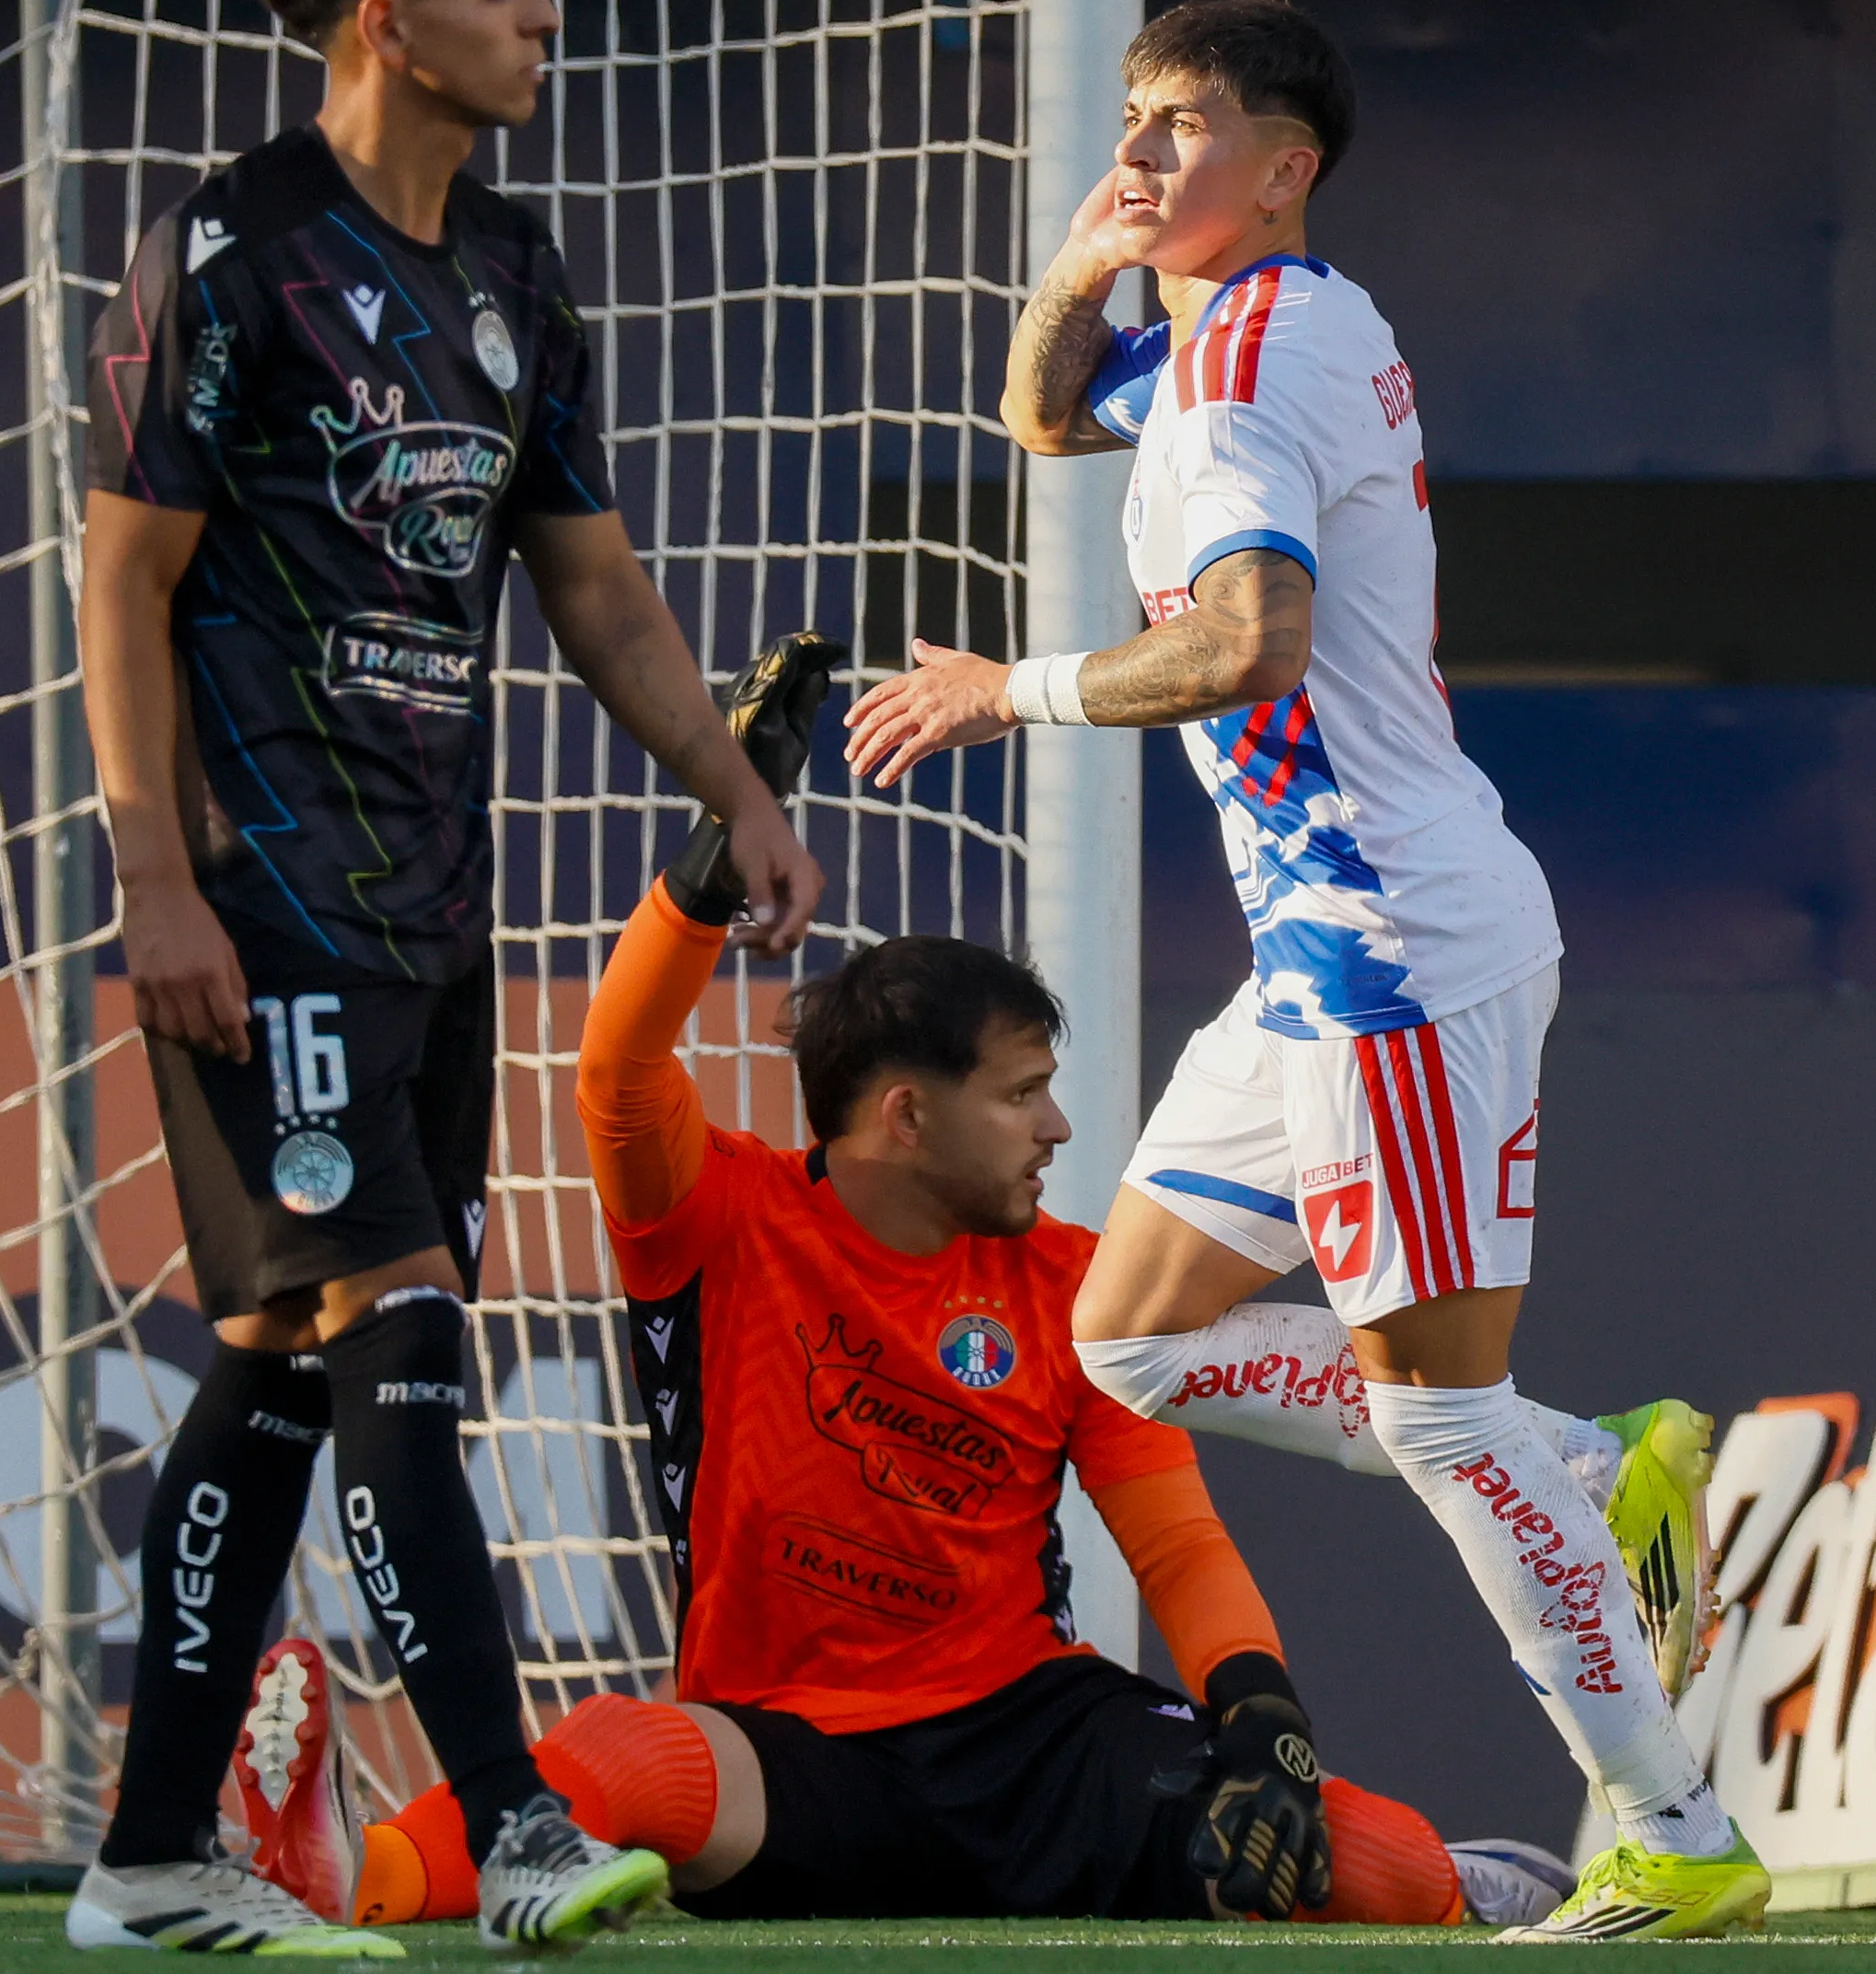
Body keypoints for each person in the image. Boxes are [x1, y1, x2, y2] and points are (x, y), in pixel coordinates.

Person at [839, 0, 1767, 1941]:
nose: (1145, 153)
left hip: (1396, 951)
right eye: (1133, 121)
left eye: (1186, 127)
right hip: (1314, 958)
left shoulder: (1249, 358)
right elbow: (1033, 413)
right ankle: (1596, 1469)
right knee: (1132, 1336)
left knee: (1434, 1415)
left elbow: (1249, 641)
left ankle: (1669, 1818)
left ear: (1288, 166)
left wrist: (1009, 685)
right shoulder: (1240, 327)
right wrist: (1087, 258)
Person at [228, 637, 1581, 1937]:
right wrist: (714, 849)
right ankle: (357, 1873)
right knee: (619, 1759)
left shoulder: (1073, 1285)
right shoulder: (721, 1220)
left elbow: (1171, 1541)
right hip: (785, 1749)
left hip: (1031, 1736)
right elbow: (616, 1072)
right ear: (901, 1117)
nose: (1056, 1131)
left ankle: (1455, 1882)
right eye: (1021, 1095)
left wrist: (1260, 1714)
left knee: (1349, 1858)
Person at [72, 0, 822, 1957]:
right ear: (387, 17)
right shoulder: (226, 250)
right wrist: (159, 884)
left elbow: (588, 581)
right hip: (257, 888)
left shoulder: (514, 265)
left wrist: (727, 780)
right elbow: (123, 575)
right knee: (403, 1328)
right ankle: (507, 1819)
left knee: (276, 1365)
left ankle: (143, 1858)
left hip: (429, 901)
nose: (545, 13)